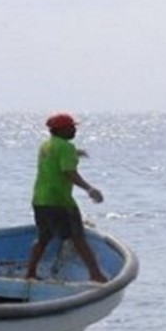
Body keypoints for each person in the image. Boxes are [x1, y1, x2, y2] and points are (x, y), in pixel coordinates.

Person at [26, 113, 108, 283]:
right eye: (71, 127)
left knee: (43, 238)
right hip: (59, 201)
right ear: (60, 129)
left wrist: (76, 153)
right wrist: (89, 189)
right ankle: (96, 275)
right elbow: (69, 172)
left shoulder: (46, 145)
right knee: (78, 238)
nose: (74, 130)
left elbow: (55, 158)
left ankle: (30, 272)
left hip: (40, 200)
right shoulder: (66, 147)